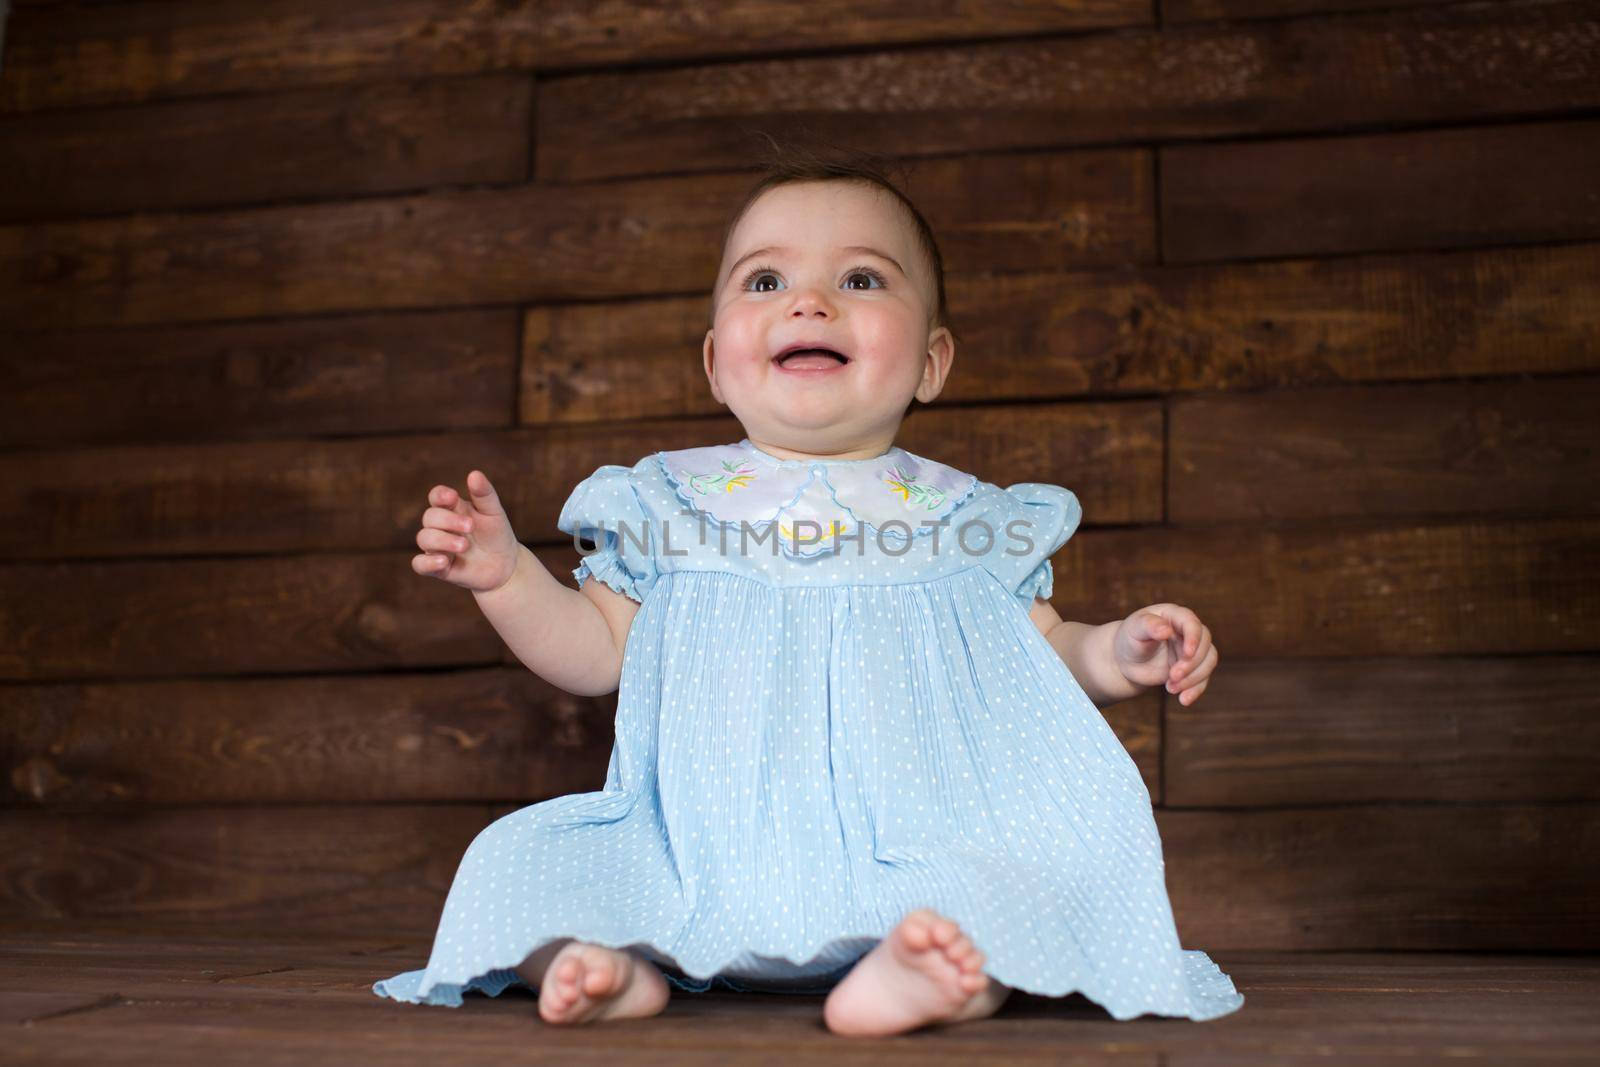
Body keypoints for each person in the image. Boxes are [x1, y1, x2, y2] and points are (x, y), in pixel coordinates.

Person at [373, 144, 1244, 1036]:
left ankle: (917, 974)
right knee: (514, 864)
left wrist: (1115, 649)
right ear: (716, 364)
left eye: (863, 278)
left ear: (932, 363)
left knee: (1013, 896)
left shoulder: (970, 521)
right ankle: (602, 966)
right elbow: (597, 654)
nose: (809, 300)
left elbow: (1041, 648)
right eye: (764, 282)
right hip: (688, 859)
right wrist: (510, 574)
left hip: (913, 854)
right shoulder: (666, 507)